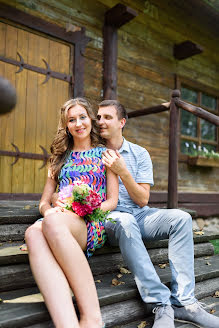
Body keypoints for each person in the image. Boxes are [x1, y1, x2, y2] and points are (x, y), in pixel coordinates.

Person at [97, 99, 219, 328]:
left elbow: (143, 199)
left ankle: (185, 303)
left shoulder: (139, 153)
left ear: (122, 122)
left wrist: (123, 172)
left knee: (181, 218)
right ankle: (161, 303)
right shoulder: (93, 153)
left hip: (140, 214)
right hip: (111, 219)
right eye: (99, 117)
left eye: (107, 117)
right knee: (125, 220)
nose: (100, 121)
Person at [25, 98, 118, 328]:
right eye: (71, 120)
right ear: (66, 125)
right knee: (32, 234)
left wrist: (88, 209)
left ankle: (92, 318)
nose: (78, 123)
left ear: (90, 119)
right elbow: (44, 203)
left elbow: (112, 201)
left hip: (89, 223)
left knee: (53, 225)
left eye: (82, 117)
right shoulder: (58, 159)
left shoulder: (105, 154)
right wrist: (50, 212)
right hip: (58, 220)